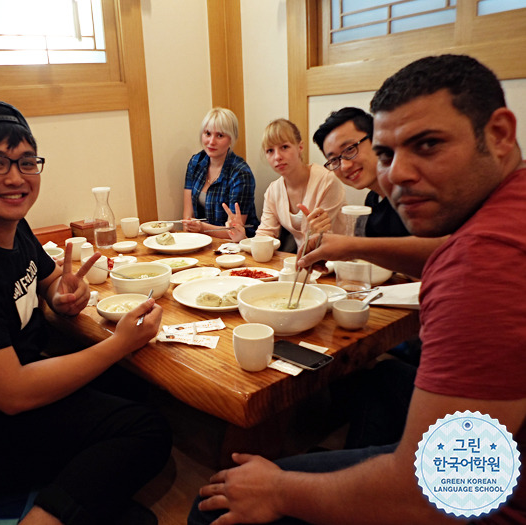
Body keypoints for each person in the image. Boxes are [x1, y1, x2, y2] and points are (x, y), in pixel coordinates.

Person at [189, 54, 526, 525]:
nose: (397, 174)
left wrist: (281, 491)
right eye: (387, 154)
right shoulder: (506, 214)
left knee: (211, 508)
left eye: (427, 144)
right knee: (377, 382)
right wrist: (349, 246)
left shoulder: (486, 262)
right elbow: (445, 250)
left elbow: (442, 490)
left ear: (500, 134)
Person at [0, 100, 172, 525]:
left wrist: (60, 293)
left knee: (131, 385)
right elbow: (13, 394)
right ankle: (45, 517)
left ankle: (83, 488)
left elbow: (43, 280)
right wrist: (120, 343)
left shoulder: (10, 222)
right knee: (147, 430)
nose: (15, 178)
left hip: (5, 389)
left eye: (27, 163)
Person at [224, 118, 346, 253]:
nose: (277, 157)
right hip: (303, 261)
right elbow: (265, 235)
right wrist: (242, 238)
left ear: (300, 147)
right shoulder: (273, 191)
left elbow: (323, 238)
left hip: (337, 260)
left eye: (284, 147)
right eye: (270, 151)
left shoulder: (326, 181)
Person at [313, 107, 409, 238]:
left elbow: (437, 245)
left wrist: (353, 246)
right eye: (334, 160)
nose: (344, 166)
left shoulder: (410, 191)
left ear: (377, 139)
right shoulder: (372, 200)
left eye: (350, 149)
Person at [183, 107, 259, 238]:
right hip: (201, 240)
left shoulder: (241, 173)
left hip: (237, 244)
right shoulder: (195, 163)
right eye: (207, 134)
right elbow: (187, 215)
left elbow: (235, 230)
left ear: (231, 139)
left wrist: (201, 228)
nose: (211, 141)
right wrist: (189, 231)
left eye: (220, 135)